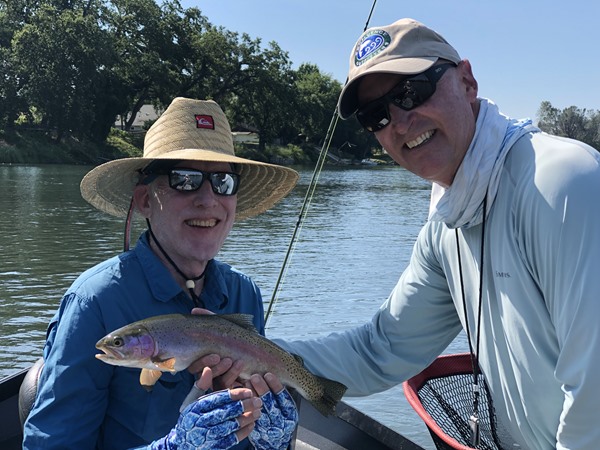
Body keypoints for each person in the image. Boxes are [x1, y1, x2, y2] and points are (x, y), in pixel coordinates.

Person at [276, 18, 600, 450]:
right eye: (377, 115)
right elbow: (380, 350)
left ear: (467, 80)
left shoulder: (563, 183)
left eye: (411, 91)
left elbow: (593, 395)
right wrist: (246, 350)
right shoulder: (446, 225)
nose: (401, 122)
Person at [22, 97, 300, 450]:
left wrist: (269, 437)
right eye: (185, 179)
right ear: (144, 201)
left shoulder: (244, 293)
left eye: (223, 182)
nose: (207, 199)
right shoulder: (96, 302)